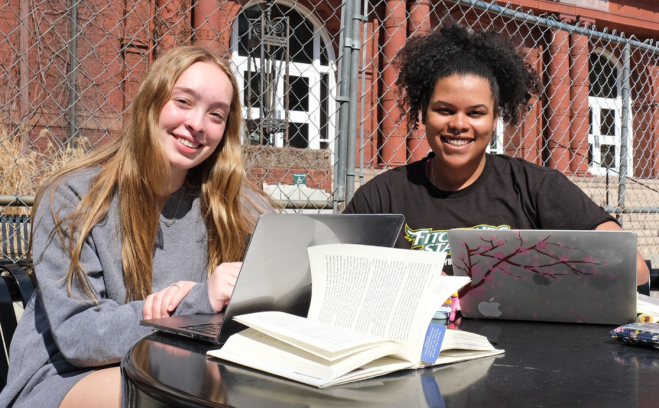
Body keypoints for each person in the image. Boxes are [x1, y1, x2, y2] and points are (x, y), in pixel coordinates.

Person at [0, 46, 273, 408]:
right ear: (151, 100)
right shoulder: (74, 197)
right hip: (66, 375)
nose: (197, 124)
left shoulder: (228, 202)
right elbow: (79, 337)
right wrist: (196, 303)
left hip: (181, 365)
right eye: (184, 102)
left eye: (216, 115)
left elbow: (294, 257)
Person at [343, 24, 650, 287]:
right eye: (444, 110)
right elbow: (334, 272)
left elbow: (634, 269)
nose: (459, 125)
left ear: (494, 119)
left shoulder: (536, 187)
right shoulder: (380, 198)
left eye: (476, 113)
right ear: (423, 112)